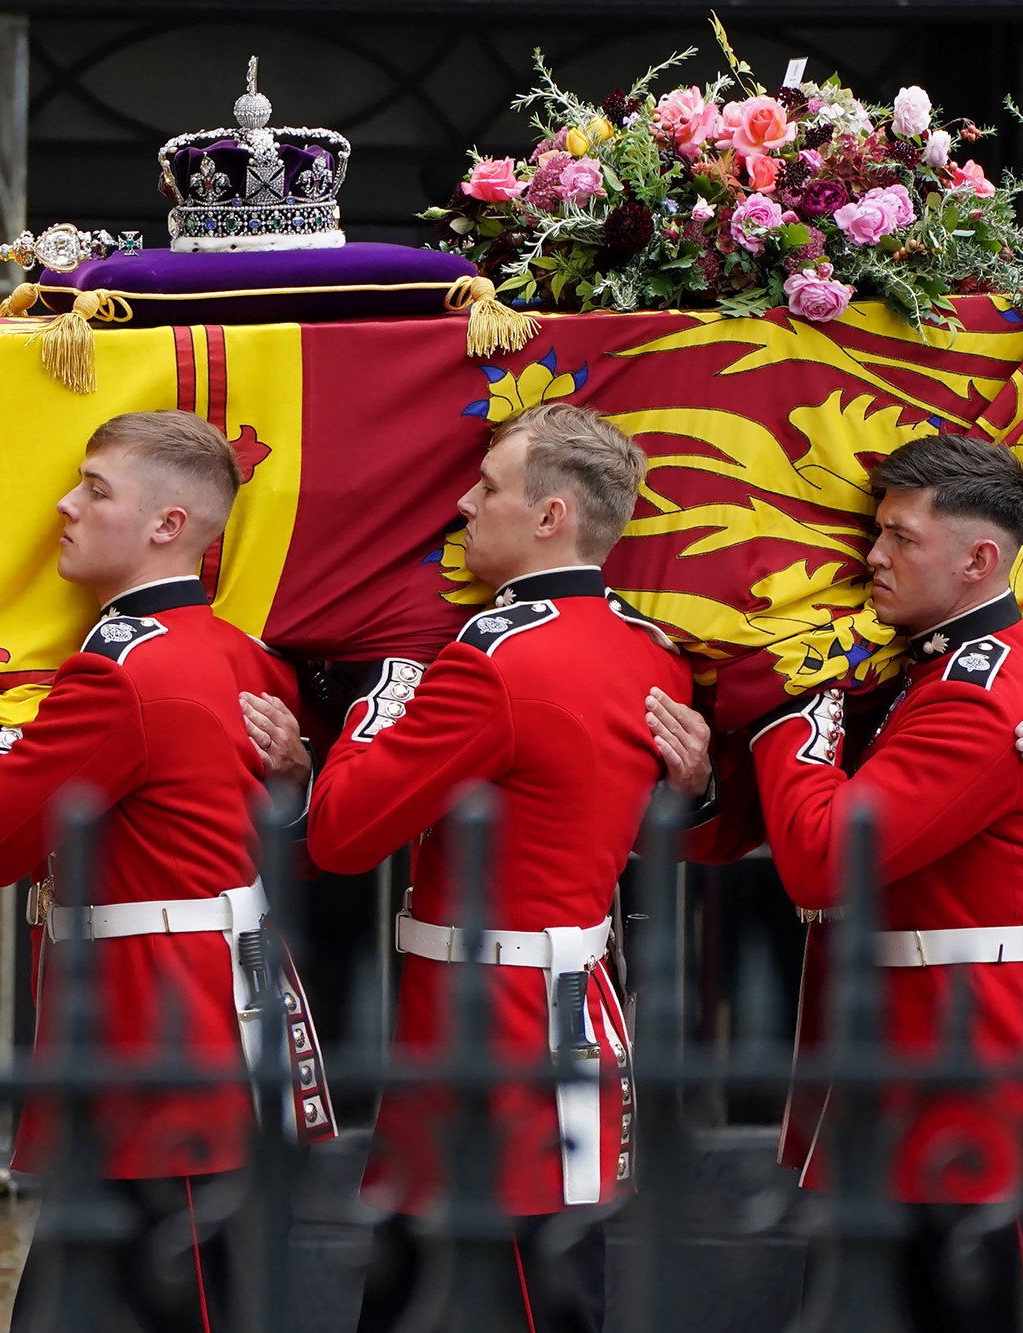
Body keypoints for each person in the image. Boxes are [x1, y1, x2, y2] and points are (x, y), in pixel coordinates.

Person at [0, 410, 331, 1333]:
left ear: (168, 526)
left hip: (153, 1034)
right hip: (209, 1016)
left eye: (95, 489)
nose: (65, 504)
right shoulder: (238, 654)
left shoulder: (113, 676)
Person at [294, 402, 690, 1333]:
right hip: (565, 1007)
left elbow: (342, 834)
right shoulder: (650, 653)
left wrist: (385, 687)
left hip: (491, 1030)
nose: (466, 505)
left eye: (488, 488)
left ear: (550, 516)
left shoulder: (494, 663)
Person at [738, 433, 1023, 1332]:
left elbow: (824, 855)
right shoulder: (950, 666)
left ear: (979, 559)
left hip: (976, 1085)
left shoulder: (975, 691)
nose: (872, 556)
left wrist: (781, 715)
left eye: (900, 537)